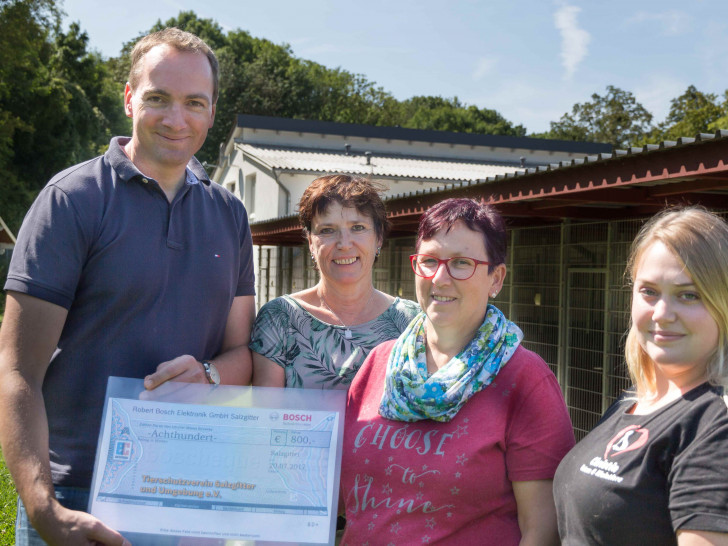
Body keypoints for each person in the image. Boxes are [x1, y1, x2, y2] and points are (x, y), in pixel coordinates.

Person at [0, 28, 256, 545]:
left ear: (212, 112)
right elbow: (17, 370)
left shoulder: (230, 214)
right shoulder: (72, 200)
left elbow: (240, 354)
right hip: (78, 496)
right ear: (129, 98)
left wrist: (208, 372)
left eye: (194, 103)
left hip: (187, 490)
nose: (176, 118)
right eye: (158, 98)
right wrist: (42, 505)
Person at [339, 198, 574, 545]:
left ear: (496, 278)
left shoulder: (524, 380)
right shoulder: (380, 364)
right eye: (430, 261)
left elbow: (542, 531)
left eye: (461, 263)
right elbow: (343, 495)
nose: (440, 278)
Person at [554, 207, 728, 545]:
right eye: (649, 291)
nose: (662, 314)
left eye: (688, 294)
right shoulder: (633, 401)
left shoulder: (714, 425)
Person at [250, 174, 419, 389]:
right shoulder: (280, 319)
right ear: (311, 242)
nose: (344, 244)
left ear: (378, 237)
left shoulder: (412, 322)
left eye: (357, 227)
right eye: (327, 230)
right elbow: (267, 416)